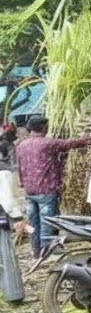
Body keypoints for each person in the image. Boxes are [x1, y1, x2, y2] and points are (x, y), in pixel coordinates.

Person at [15, 116, 91, 259]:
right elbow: (69, 144)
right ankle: (46, 251)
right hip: (45, 189)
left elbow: (19, 167)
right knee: (47, 220)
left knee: (34, 222)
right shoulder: (47, 143)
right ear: (43, 127)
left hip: (30, 189)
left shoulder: (21, 145)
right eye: (46, 126)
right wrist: (88, 138)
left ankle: (36, 251)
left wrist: (23, 183)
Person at [0, 123, 25, 303]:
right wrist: (18, 218)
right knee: (6, 255)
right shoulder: (3, 171)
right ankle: (13, 294)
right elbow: (7, 199)